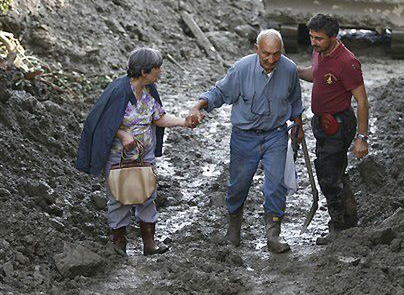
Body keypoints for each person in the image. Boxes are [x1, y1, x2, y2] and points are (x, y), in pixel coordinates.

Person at [188, 29, 303, 253]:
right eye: (266, 54)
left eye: (276, 54)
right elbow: (219, 92)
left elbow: (295, 101)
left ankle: (273, 234)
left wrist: (298, 129)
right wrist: (198, 106)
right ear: (256, 50)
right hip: (245, 137)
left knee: (275, 185)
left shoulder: (289, 69)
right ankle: (234, 225)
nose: (271, 60)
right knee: (238, 185)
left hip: (275, 135)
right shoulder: (241, 69)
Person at [76, 47, 197, 255]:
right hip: (118, 156)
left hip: (144, 154)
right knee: (118, 195)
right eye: (157, 68)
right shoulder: (117, 92)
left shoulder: (150, 91)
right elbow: (100, 123)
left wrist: (184, 123)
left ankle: (149, 243)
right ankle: (119, 242)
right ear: (144, 72)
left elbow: (158, 118)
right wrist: (123, 135)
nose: (160, 72)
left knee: (147, 192)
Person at [297, 13, 369, 244]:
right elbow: (315, 74)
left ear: (333, 37)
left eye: (318, 38)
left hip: (338, 125)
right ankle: (348, 219)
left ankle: (339, 228)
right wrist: (295, 71)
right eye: (311, 37)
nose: (313, 42)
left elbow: (362, 101)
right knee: (333, 172)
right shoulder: (320, 53)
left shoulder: (347, 62)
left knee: (329, 177)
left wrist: (362, 138)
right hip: (322, 123)